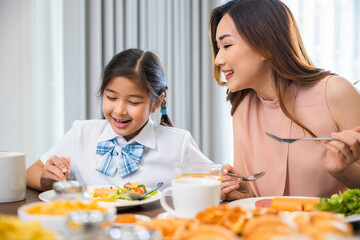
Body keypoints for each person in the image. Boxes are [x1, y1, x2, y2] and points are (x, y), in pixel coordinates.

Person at [209, 0, 360, 200]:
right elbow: (255, 197)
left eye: (227, 45)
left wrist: (344, 172)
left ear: (266, 46)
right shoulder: (242, 107)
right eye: (218, 48)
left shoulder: (335, 92)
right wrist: (242, 193)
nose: (218, 60)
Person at [26, 49, 211, 191]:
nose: (120, 110)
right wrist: (47, 179)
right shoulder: (81, 133)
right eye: (111, 98)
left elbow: (214, 183)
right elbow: (30, 173)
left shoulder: (178, 144)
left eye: (133, 102)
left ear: (156, 102)